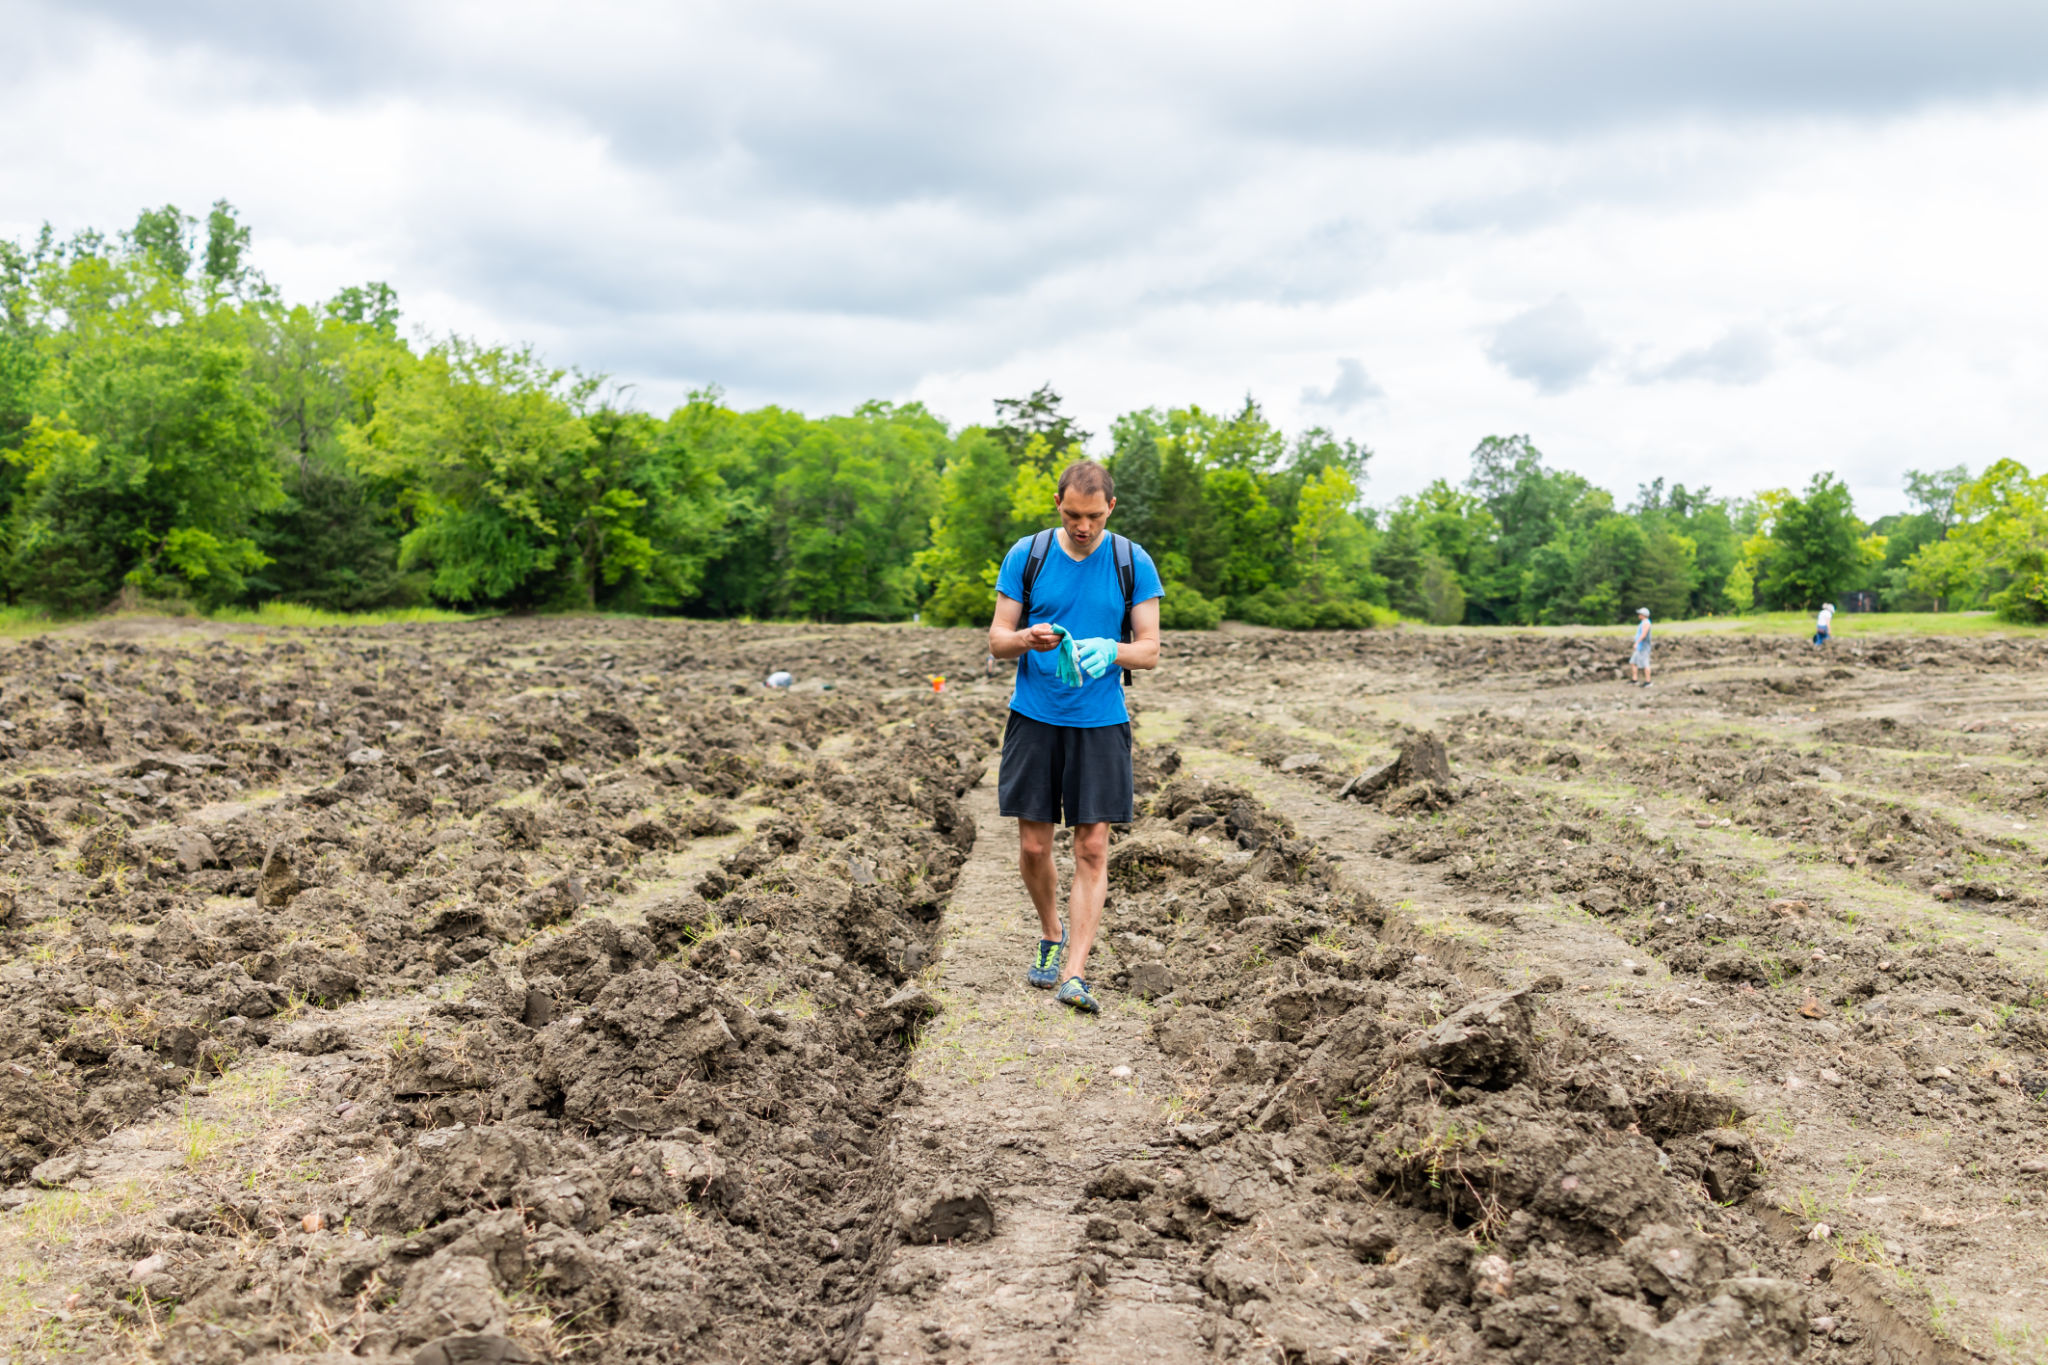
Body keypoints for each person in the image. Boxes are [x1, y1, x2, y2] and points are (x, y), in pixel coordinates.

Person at [987, 460, 1163, 1014]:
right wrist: (1025, 639)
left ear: (1110, 507)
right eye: (1071, 515)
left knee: (1091, 847)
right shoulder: (1029, 554)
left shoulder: (1131, 562)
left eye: (1091, 516)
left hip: (1100, 723)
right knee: (1035, 846)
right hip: (1036, 718)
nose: (1081, 526)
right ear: (1057, 506)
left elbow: (1150, 650)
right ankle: (1050, 932)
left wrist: (1112, 649)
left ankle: (1075, 972)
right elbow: (996, 639)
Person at [1629, 607, 1653, 688]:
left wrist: (1637, 642)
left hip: (1643, 647)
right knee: (1633, 662)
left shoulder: (1646, 623)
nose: (1638, 615)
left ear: (1643, 615)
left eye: (1640, 614)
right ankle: (1634, 680)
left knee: (1645, 664)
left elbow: (1644, 634)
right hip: (1639, 647)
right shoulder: (1643, 622)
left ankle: (1648, 681)